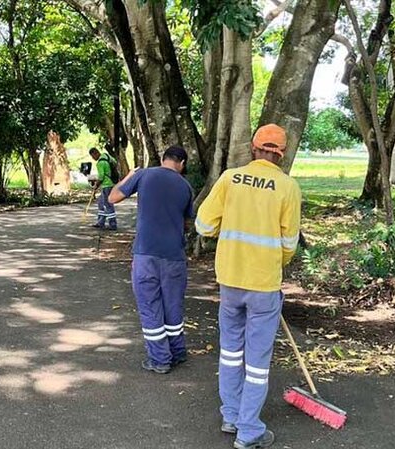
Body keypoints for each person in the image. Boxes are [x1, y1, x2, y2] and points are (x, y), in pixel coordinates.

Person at [195, 124, 302, 449]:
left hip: (230, 281)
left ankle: (231, 415)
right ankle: (249, 431)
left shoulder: (230, 178)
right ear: (281, 154)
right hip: (264, 285)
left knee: (230, 352)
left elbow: (203, 224)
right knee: (257, 360)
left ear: (254, 148)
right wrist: (272, 265)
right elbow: (289, 244)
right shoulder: (288, 187)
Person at [109, 146, 194, 374]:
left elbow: (113, 197)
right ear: (182, 164)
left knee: (150, 305)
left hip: (146, 254)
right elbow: (187, 223)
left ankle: (159, 359)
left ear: (163, 159)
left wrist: (128, 175)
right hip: (175, 256)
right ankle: (177, 352)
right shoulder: (186, 186)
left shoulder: (144, 174)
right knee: (173, 305)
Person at [89, 147, 118, 231]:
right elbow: (115, 162)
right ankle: (100, 222)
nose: (93, 158)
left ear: (95, 153)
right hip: (111, 183)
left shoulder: (100, 163)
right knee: (101, 202)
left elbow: (101, 177)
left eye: (92, 156)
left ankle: (113, 224)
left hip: (106, 185)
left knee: (108, 204)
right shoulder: (107, 156)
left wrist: (96, 186)